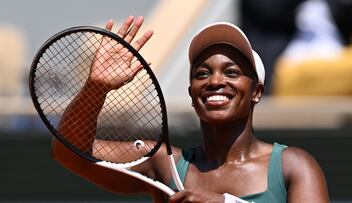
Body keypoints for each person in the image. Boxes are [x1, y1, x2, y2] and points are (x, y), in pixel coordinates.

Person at [52, 16, 330, 203]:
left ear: (256, 92)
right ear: (192, 95)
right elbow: (69, 152)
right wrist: (95, 88)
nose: (216, 81)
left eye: (232, 72)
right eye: (202, 74)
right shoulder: (163, 162)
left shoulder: (292, 165)